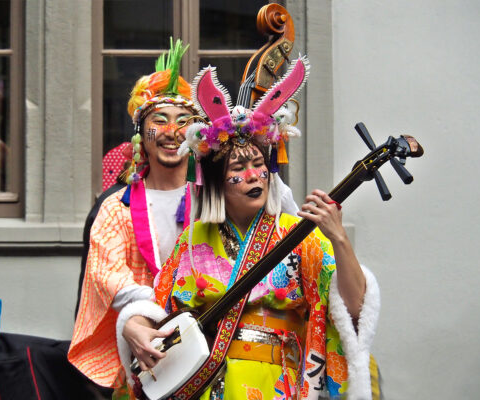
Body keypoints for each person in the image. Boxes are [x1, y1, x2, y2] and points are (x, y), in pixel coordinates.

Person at [118, 58, 381, 400]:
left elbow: (353, 310)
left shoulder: (298, 236)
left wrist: (339, 239)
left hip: (275, 384)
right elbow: (160, 311)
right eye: (239, 167)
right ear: (214, 181)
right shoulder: (193, 240)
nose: (254, 175)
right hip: (206, 383)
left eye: (259, 165)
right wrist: (133, 325)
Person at [68, 39, 299, 395]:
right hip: (156, 358)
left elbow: (284, 237)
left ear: (197, 137)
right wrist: (134, 319)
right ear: (140, 135)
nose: (172, 132)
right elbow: (107, 273)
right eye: (159, 121)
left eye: (184, 122)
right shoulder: (118, 207)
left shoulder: (222, 194)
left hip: (233, 355)